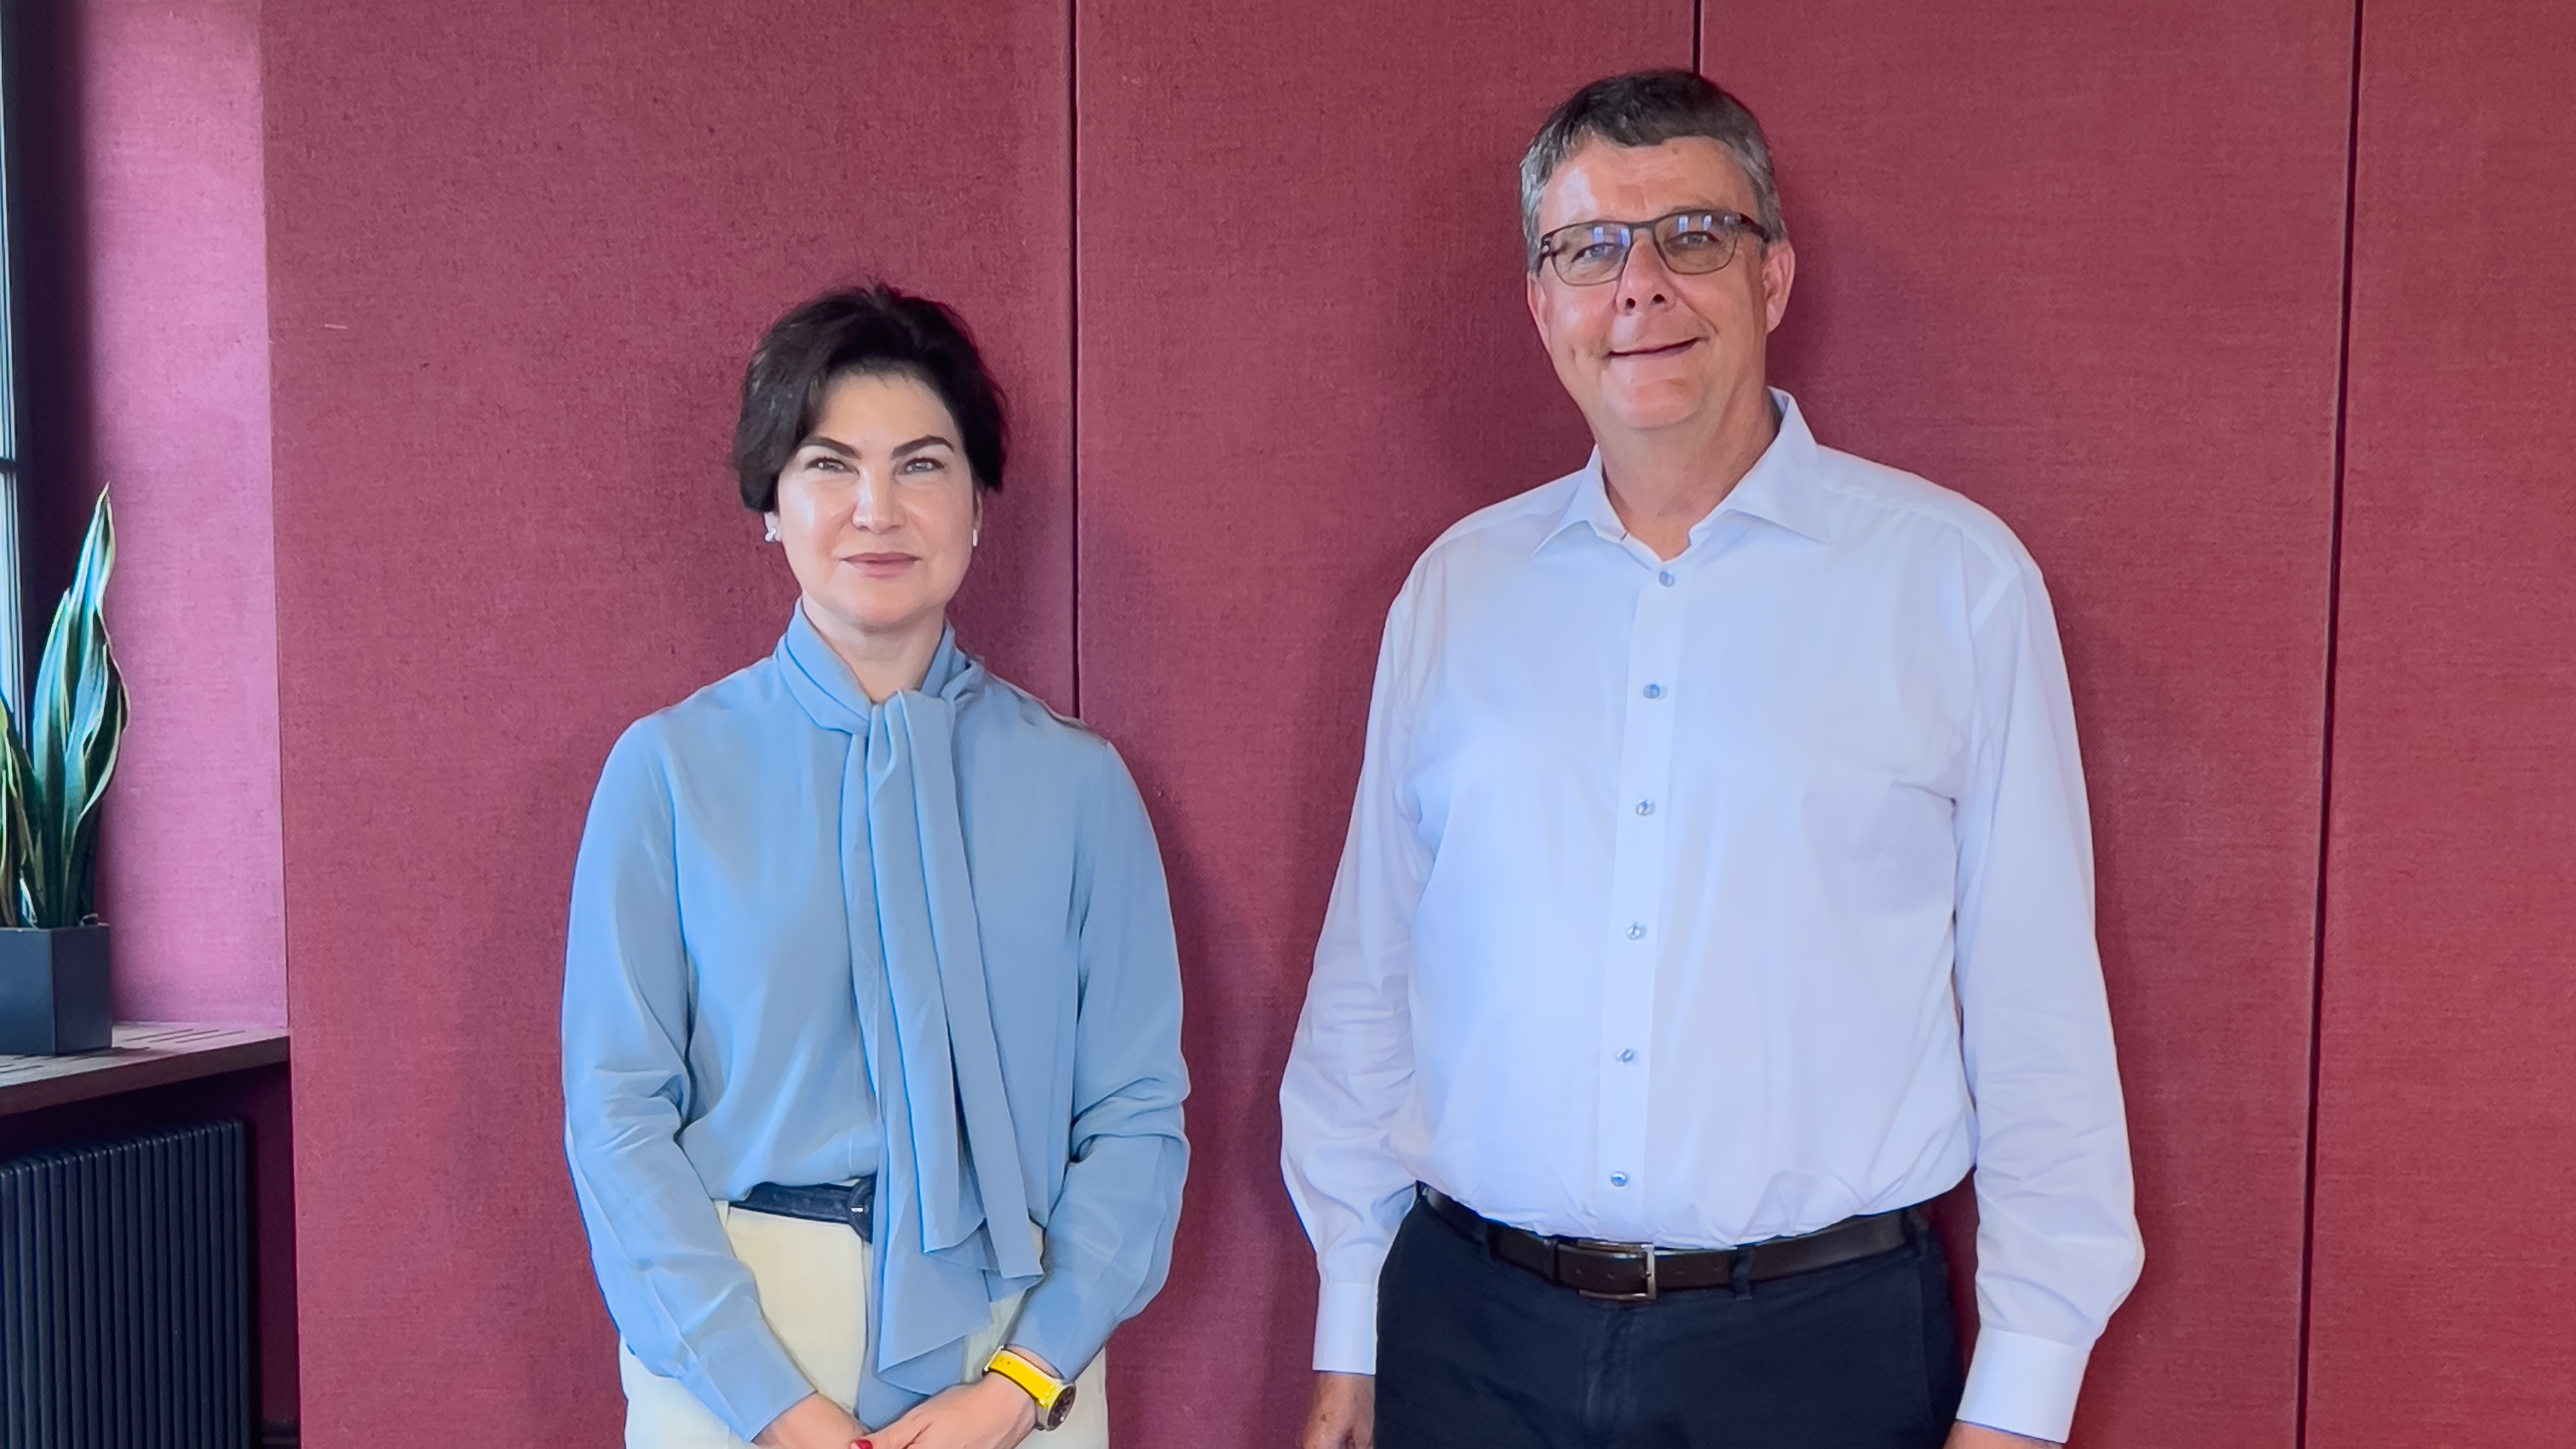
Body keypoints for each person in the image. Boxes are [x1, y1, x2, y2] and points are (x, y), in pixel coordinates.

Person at [1281, 71, 2143, 1449]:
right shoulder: (1456, 593)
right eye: (1588, 249)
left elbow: (2039, 1017)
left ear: (1773, 276)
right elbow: (1369, 983)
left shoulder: (1954, 585)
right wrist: (1351, 1331)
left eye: (1692, 236)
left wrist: (2026, 1397)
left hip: (1814, 1353)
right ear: (1541, 303)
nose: (1640, 288)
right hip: (1468, 1335)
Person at [563, 285, 1188, 1449]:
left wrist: (1018, 1386)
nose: (876, 509)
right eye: (829, 464)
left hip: (1016, 1343)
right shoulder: (667, 772)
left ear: (979, 505)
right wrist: (771, 1403)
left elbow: (1140, 1120)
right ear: (771, 505)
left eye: (922, 464)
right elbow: (615, 1122)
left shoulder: (1082, 788)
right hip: (736, 1338)